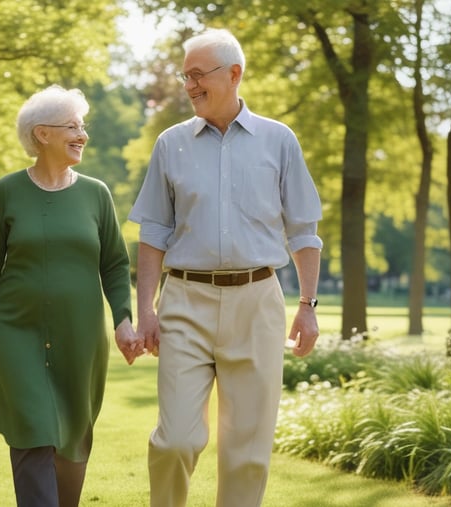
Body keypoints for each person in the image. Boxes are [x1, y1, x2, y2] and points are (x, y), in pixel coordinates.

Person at [129, 28, 323, 507]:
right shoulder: (170, 144)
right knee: (175, 439)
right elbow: (152, 233)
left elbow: (303, 231)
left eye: (198, 75)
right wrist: (146, 310)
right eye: (185, 76)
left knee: (248, 452)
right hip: (185, 302)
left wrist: (307, 305)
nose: (189, 85)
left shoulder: (279, 141)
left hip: (257, 302)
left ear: (233, 74)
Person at [0, 85, 143, 507]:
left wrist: (123, 319)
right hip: (16, 331)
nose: (83, 135)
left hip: (80, 335)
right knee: (33, 428)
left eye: (83, 127)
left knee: (73, 435)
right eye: (73, 127)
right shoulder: (6, 191)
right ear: (42, 134)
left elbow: (115, 264)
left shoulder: (96, 194)